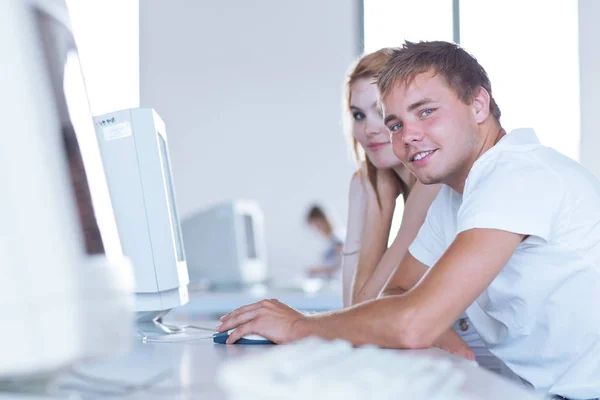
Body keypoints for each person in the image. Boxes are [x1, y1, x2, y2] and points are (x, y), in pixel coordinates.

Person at [217, 41, 600, 400]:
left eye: (426, 111)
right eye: (396, 124)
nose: (408, 136)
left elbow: (411, 321)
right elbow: (396, 292)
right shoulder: (457, 196)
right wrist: (433, 327)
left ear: (478, 105)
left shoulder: (516, 175)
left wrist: (299, 327)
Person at [305, 205, 343, 279]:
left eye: (317, 225)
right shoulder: (332, 240)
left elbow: (344, 264)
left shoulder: (338, 240)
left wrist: (317, 270)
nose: (316, 230)